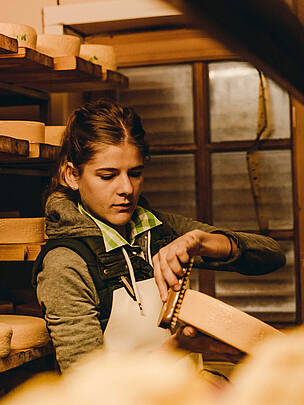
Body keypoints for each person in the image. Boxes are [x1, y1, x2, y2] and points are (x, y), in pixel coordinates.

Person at [32, 99, 286, 372]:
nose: (127, 188)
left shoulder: (158, 229)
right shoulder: (67, 264)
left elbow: (271, 256)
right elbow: (88, 388)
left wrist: (201, 241)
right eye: (108, 176)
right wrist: (179, 349)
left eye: (136, 173)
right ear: (72, 175)